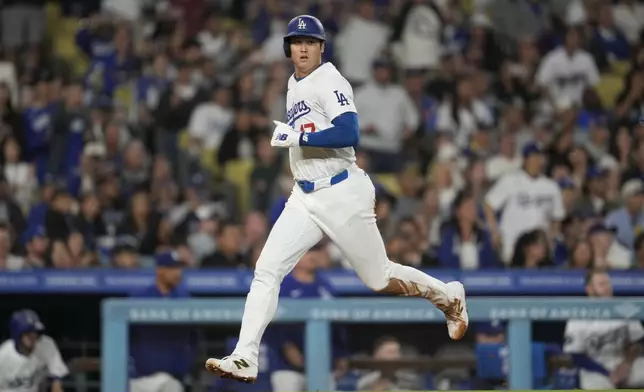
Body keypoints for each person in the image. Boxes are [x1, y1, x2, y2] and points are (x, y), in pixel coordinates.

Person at [205, 14, 468, 384]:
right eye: (297, 42)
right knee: (266, 270)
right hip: (304, 196)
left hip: (342, 190)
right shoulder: (293, 85)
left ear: (321, 47)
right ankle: (246, 355)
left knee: (379, 279)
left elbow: (350, 131)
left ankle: (448, 295)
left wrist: (300, 139)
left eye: (310, 42)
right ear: (288, 49)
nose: (304, 48)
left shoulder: (330, 79)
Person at [563, 269, 644, 389]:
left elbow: (639, 341)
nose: (607, 287)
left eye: (608, 283)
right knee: (598, 386)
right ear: (589, 289)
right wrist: (607, 373)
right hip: (595, 368)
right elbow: (576, 356)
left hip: (623, 362)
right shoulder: (579, 314)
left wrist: (627, 364)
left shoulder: (624, 307)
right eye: (601, 284)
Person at [129, 251, 196, 392]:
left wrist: (186, 362)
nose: (177, 273)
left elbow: (194, 337)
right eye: (172, 268)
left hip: (173, 379)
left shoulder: (185, 299)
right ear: (160, 270)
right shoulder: (140, 298)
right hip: (142, 377)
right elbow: (127, 334)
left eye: (179, 268)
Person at [0, 309, 68, 392]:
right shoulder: (3, 355)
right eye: (28, 333)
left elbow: (57, 379)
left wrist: (56, 384)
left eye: (35, 332)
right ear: (17, 335)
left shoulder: (46, 345)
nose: (33, 336)